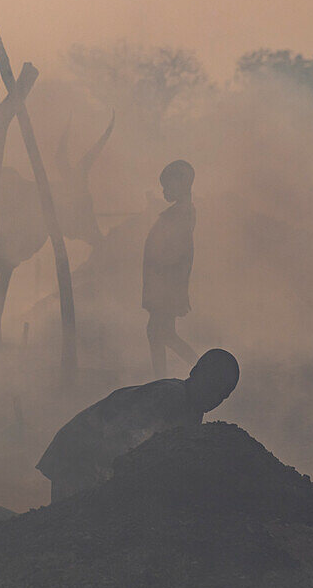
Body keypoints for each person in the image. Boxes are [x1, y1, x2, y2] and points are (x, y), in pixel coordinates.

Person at [36, 348, 239, 502]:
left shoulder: (192, 412)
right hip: (78, 452)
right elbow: (129, 442)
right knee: (72, 520)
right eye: (212, 387)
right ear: (195, 372)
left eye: (222, 395)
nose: (214, 398)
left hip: (89, 453)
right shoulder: (169, 397)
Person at [143, 159, 198, 379]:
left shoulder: (181, 214)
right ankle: (163, 378)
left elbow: (177, 253)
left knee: (160, 333)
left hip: (166, 285)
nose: (164, 190)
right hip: (163, 284)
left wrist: (163, 275)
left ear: (182, 183)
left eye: (168, 185)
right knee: (160, 333)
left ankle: (199, 370)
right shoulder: (178, 213)